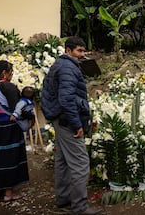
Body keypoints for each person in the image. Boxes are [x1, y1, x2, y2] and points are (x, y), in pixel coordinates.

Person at [41, 36, 102, 215]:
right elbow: (66, 100)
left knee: (63, 161)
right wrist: (77, 125)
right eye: (79, 51)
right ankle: (80, 207)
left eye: (84, 51)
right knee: (80, 163)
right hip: (67, 121)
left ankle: (63, 198)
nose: (82, 55)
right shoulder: (67, 67)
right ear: (68, 50)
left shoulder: (61, 65)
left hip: (60, 119)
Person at [0, 60, 29, 201]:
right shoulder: (9, 87)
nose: (11, 75)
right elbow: (17, 109)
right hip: (9, 129)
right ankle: (9, 193)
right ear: (4, 73)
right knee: (9, 158)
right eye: (11, 72)